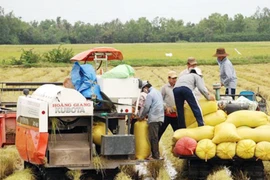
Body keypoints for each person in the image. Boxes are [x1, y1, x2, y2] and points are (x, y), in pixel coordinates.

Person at [139, 81, 164, 160]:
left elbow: (146, 107)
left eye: (144, 90)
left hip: (154, 118)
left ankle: (155, 156)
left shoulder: (150, 94)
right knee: (155, 136)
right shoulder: (158, 92)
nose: (144, 92)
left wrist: (141, 116)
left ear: (146, 88)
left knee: (153, 137)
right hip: (160, 117)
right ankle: (155, 155)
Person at [158, 71, 178, 140]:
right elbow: (160, 99)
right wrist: (166, 107)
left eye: (175, 78)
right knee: (160, 132)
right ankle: (154, 149)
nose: (174, 80)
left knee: (178, 133)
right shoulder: (164, 88)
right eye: (173, 78)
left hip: (176, 115)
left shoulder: (178, 87)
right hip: (166, 115)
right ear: (169, 78)